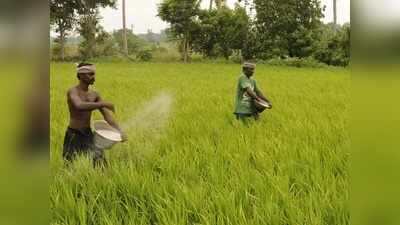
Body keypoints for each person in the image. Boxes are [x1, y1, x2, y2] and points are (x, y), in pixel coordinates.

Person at [63, 63, 127, 167]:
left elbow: (107, 116)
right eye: (90, 74)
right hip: (74, 134)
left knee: (100, 163)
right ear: (81, 75)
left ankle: (102, 181)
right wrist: (103, 103)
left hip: (88, 133)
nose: (94, 77)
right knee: (70, 164)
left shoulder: (95, 94)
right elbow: (79, 105)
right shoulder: (73, 91)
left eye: (94, 74)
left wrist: (120, 131)